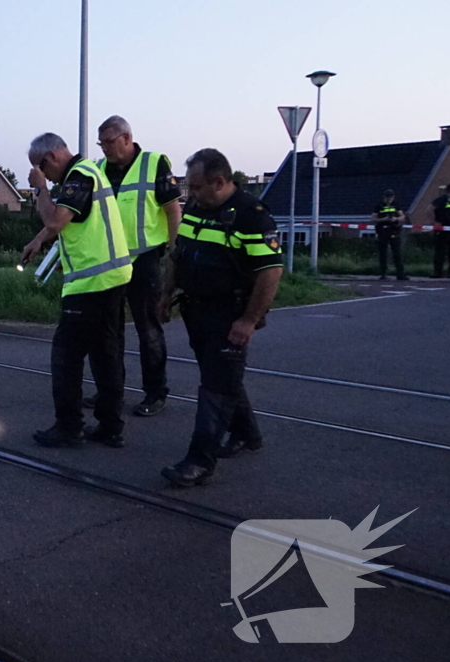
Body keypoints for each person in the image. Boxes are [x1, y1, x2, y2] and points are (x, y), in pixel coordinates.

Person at [158, 149, 283, 487]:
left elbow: (270, 272)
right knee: (221, 378)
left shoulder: (251, 216)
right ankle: (247, 434)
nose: (191, 195)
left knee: (215, 387)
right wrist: (166, 294)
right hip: (197, 310)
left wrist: (248, 320)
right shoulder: (199, 207)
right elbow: (178, 254)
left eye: (196, 187)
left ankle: (199, 461)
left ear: (221, 181)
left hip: (231, 314)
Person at [21, 133, 133, 448]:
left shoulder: (78, 176)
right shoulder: (89, 173)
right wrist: (39, 240)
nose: (42, 174)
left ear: (51, 157)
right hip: (111, 277)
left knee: (66, 357)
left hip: (90, 284)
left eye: (40, 167)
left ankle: (69, 426)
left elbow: (57, 220)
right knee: (104, 356)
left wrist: (40, 189)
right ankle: (111, 426)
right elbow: (67, 221)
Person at [84, 116, 183, 417]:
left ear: (127, 138)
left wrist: (172, 250)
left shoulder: (154, 164)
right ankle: (110, 391)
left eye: (110, 143)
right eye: (101, 145)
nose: (105, 150)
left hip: (145, 260)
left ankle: (155, 393)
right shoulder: (98, 170)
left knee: (148, 329)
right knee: (108, 331)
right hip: (110, 263)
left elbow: (172, 210)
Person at [371, 190, 408, 281]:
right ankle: (383, 273)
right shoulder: (379, 206)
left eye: (391, 197)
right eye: (387, 197)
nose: (389, 199)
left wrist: (396, 219)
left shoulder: (396, 205)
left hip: (394, 230)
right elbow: (373, 219)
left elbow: (402, 216)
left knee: (397, 253)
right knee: (383, 253)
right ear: (384, 197)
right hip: (383, 231)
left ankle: (400, 273)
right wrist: (384, 219)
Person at [430, 183, 450, 278]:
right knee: (440, 251)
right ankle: (438, 272)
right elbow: (429, 210)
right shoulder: (441, 200)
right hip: (442, 229)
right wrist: (434, 222)